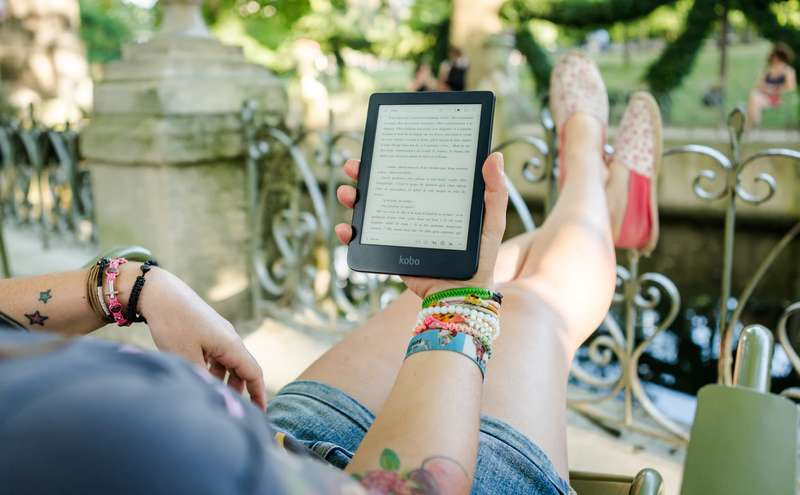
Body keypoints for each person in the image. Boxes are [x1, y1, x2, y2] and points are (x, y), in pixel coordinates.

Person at [0, 53, 662, 494]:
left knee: (481, 272)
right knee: (535, 306)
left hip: (285, 433)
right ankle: (586, 165)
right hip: (399, 478)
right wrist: (457, 306)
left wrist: (137, 285)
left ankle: (597, 205)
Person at [746, 42, 797, 129]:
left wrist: (774, 90)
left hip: (778, 98)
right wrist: (767, 89)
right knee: (754, 96)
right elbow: (758, 85)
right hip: (764, 96)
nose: (775, 60)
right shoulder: (769, 70)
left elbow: (790, 88)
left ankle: (751, 124)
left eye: (777, 58)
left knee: (754, 99)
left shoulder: (788, 71)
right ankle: (752, 122)